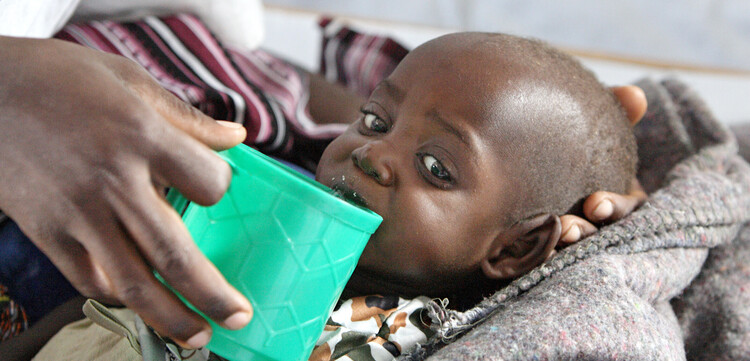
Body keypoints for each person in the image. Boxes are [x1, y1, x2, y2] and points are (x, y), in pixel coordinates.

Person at [0, 13, 645, 359]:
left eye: (436, 169)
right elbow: (95, 302)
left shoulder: (412, 332)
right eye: (374, 120)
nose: (370, 156)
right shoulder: (259, 211)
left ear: (513, 251)